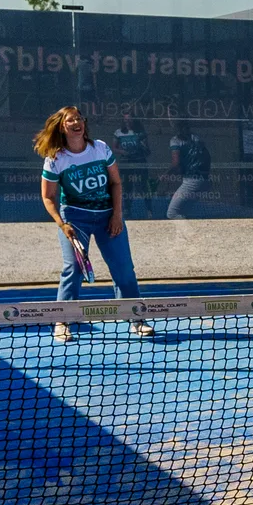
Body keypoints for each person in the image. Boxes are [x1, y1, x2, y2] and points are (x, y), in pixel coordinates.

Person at [36, 106, 154, 343]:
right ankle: (62, 321)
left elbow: (116, 183)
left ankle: (137, 319)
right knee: (74, 269)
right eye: (71, 120)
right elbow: (48, 197)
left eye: (80, 118)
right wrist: (62, 224)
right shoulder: (55, 159)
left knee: (123, 268)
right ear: (62, 126)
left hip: (107, 216)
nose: (77, 122)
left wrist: (117, 216)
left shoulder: (100, 148)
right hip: (75, 219)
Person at [110, 108, 152, 217]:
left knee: (143, 186)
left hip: (139, 162)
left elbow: (147, 150)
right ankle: (127, 209)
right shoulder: (119, 133)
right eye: (126, 120)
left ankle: (149, 209)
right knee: (127, 187)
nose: (128, 122)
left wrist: (142, 147)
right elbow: (114, 147)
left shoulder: (140, 132)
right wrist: (122, 151)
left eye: (130, 120)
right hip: (126, 163)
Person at [165, 119, 211, 219]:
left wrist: (165, 175)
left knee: (172, 213)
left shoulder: (175, 141)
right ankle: (185, 233)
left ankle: (190, 233)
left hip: (192, 181)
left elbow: (175, 163)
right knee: (182, 212)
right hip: (204, 179)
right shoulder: (196, 138)